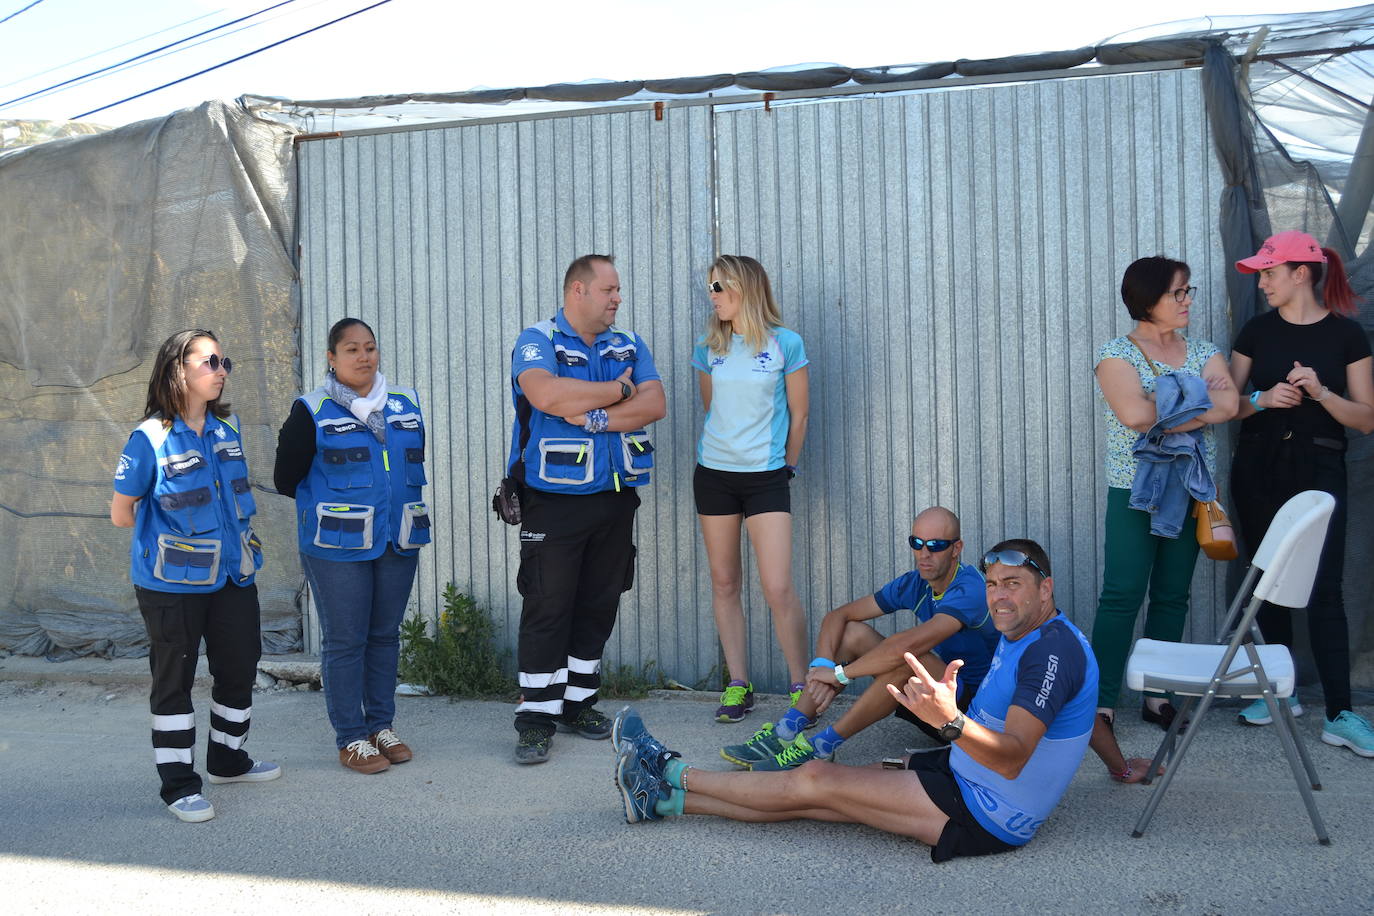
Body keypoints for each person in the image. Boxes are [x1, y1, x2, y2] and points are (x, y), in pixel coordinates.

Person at [613, 540, 1098, 864]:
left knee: (814, 780)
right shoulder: (1031, 634)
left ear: (1045, 589)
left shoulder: (1049, 651)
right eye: (993, 584)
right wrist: (1119, 767)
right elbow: (1081, 715)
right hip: (965, 772)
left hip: (986, 811)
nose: (998, 597)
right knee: (811, 797)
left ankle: (670, 771)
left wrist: (950, 722)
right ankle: (663, 801)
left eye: (1013, 584)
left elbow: (1013, 758)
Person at [111, 329, 280, 823]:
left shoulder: (228, 432)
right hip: (169, 584)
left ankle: (228, 760)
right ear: (177, 369)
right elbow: (122, 513)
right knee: (174, 680)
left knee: (240, 665)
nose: (221, 370)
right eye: (209, 362)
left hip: (233, 576)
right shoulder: (149, 439)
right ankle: (179, 785)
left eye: (224, 361)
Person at [506, 254, 667, 764]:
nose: (618, 298)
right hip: (552, 500)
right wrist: (619, 390)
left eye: (618, 290)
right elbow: (547, 393)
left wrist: (593, 416)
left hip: (615, 497)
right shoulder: (538, 340)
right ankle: (535, 717)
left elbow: (655, 404)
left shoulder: (630, 342)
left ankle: (578, 702)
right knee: (548, 605)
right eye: (609, 290)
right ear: (579, 290)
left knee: (599, 603)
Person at [1088, 256, 1238, 782]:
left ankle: (1157, 695)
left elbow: (1231, 405)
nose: (1187, 301)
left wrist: (1167, 401)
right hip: (1136, 491)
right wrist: (1196, 398)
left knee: (1173, 594)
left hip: (1194, 488)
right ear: (1147, 299)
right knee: (1122, 593)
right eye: (1178, 293)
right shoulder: (1116, 353)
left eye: (1188, 291)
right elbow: (1131, 415)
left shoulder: (1202, 350)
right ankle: (1101, 702)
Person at [1228, 230, 1374, 757]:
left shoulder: (1348, 336)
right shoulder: (1255, 332)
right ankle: (1276, 696)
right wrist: (1262, 399)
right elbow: (1229, 405)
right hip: (1259, 466)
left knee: (1326, 585)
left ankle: (1341, 713)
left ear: (1301, 273)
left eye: (1269, 271)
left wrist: (1321, 392)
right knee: (1268, 578)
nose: (1262, 281)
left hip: (1320, 466)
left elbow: (1366, 418)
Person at [719, 507, 998, 771]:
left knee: (908, 661)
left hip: (974, 715)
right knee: (853, 633)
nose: (924, 554)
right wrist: (821, 669)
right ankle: (788, 729)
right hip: (941, 699)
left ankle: (821, 746)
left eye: (935, 546)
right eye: (916, 543)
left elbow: (906, 646)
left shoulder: (970, 589)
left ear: (956, 549)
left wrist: (839, 675)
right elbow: (838, 616)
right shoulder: (916, 583)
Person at [274, 318, 431, 774]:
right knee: (346, 641)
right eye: (351, 350)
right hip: (336, 546)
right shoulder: (312, 409)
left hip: (397, 538)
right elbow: (287, 479)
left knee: (384, 636)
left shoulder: (405, 402)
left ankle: (381, 726)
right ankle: (351, 737)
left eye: (370, 348)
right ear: (331, 358)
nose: (363, 357)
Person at [691, 254, 811, 722]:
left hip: (766, 477)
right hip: (715, 476)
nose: (713, 295)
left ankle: (802, 686)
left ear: (746, 288)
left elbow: (799, 414)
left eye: (720, 286)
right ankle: (738, 684)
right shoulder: (709, 347)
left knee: (777, 586)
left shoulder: (786, 344)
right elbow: (712, 411)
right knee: (725, 582)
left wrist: (787, 466)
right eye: (711, 287)